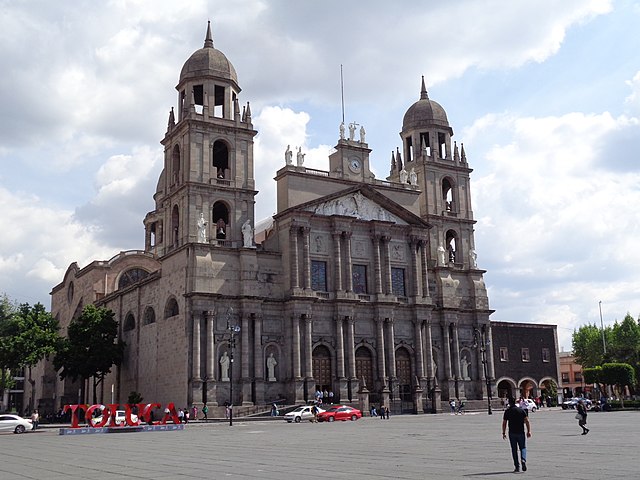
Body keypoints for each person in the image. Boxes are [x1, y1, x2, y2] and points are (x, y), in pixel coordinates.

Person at [502, 397, 532, 473]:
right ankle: (523, 459)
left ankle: (517, 467)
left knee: (514, 450)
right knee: (523, 447)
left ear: (509, 402)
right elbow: (527, 421)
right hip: (521, 432)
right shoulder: (521, 410)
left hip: (512, 433)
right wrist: (529, 431)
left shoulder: (507, 411)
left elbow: (504, 423)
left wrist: (503, 432)